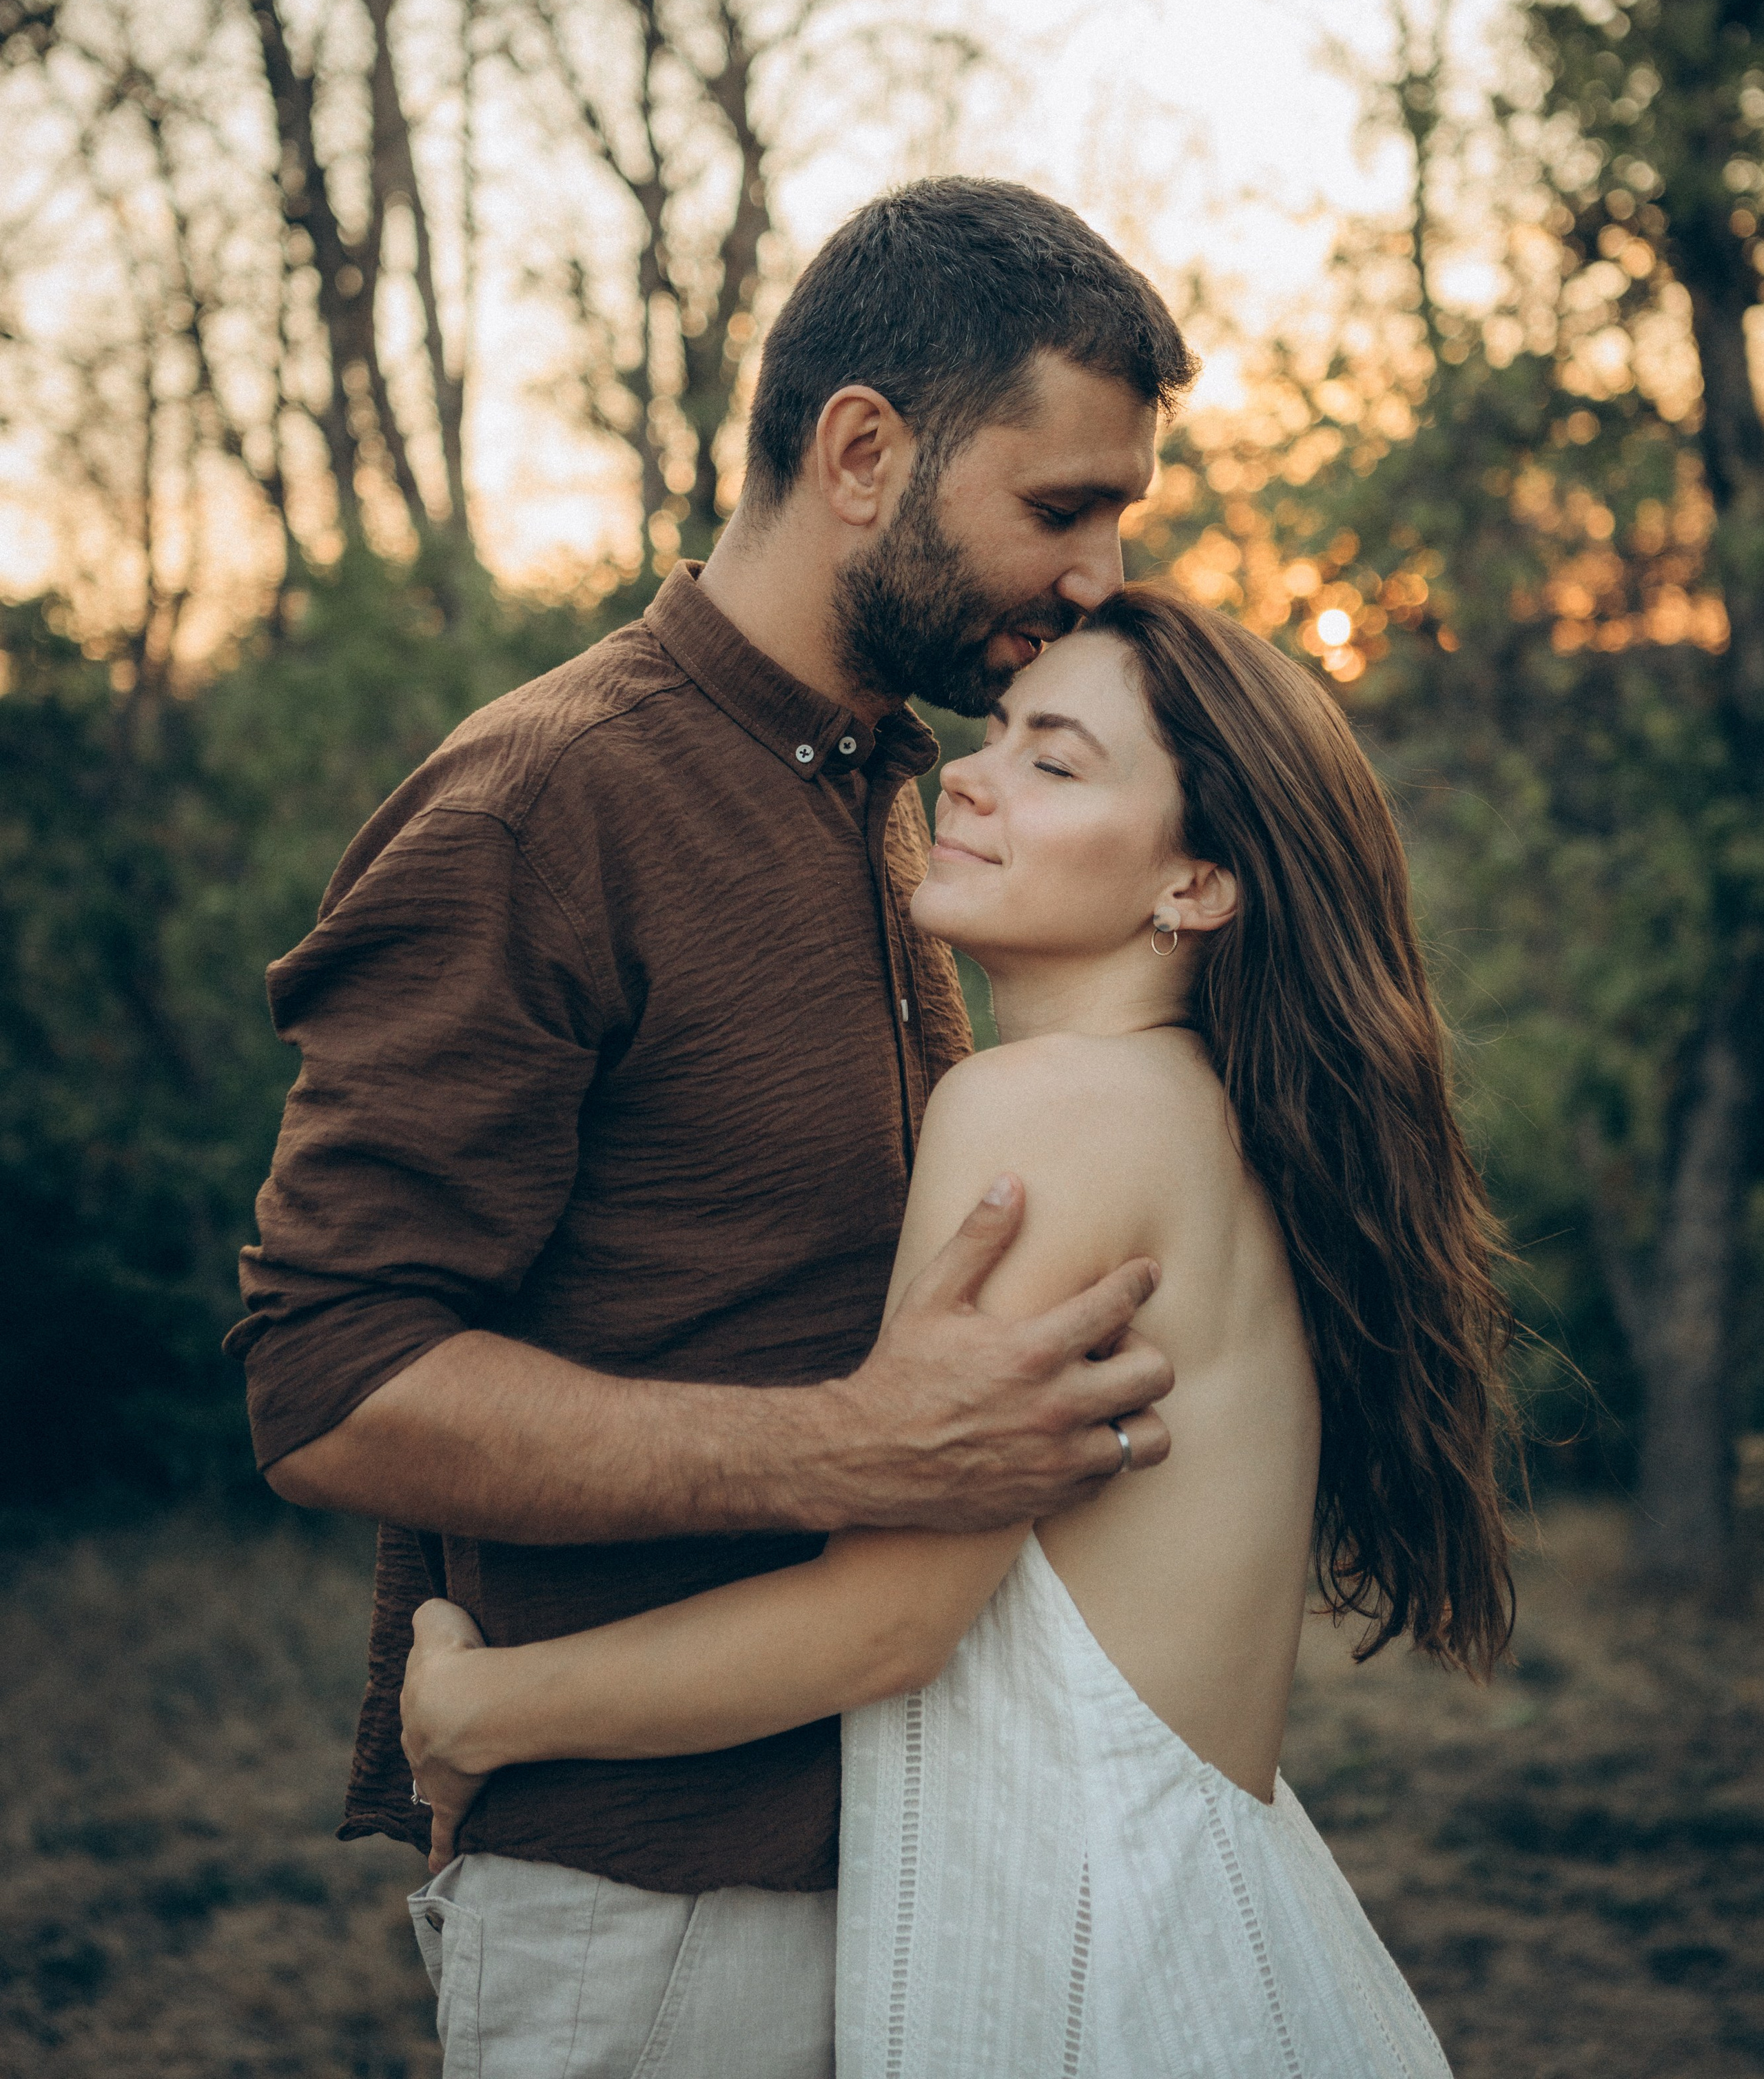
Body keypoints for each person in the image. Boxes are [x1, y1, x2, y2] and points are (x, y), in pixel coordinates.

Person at [227, 178, 1200, 2076]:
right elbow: (327, 1378)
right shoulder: (544, 809)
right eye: (1060, 506)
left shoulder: (905, 798)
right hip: (655, 1923)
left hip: (930, 1874)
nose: (1094, 574)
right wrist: (853, 1447)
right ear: (863, 453)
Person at [400, 588, 1517, 2078]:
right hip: (1215, 1951)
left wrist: (482, 1706)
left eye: (1054, 761)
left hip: (1089, 1991)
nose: (966, 776)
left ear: (1195, 884)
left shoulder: (1044, 1112)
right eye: (993, 733)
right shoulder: (1189, 1117)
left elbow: (889, 1619)